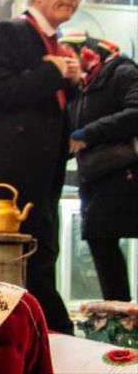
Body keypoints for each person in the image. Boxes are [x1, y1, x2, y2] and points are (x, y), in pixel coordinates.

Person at [0, 0, 84, 335]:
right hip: (10, 184)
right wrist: (53, 72)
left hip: (41, 179)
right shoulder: (10, 32)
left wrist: (70, 81)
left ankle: (42, 340)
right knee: (17, 265)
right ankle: (52, 336)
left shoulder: (56, 44)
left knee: (42, 259)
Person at [63, 33, 138, 302]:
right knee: (101, 243)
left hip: (123, 174)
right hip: (96, 176)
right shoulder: (84, 85)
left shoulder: (122, 72)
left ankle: (120, 314)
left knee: (102, 241)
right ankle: (118, 316)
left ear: (85, 53)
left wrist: (87, 133)